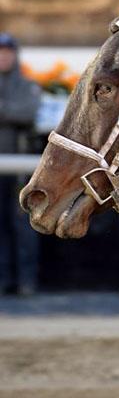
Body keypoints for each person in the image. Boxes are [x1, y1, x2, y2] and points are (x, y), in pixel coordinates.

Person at [0, 33, 41, 295]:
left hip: (20, 171)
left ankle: (27, 280)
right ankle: (3, 280)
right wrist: (9, 110)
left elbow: (28, 112)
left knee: (23, 226)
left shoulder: (28, 85)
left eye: (7, 52)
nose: (3, 57)